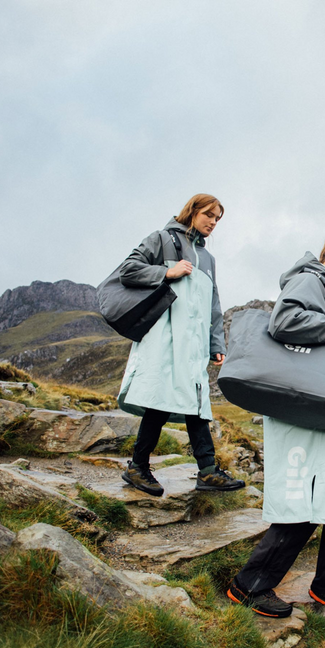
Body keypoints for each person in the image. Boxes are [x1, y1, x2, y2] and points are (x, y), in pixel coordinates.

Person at [227, 234, 325, 619]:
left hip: (319, 413)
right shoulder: (310, 278)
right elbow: (284, 321)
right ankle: (249, 585)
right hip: (301, 414)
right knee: (303, 499)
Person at [116, 194, 245, 497]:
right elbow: (128, 269)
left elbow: (214, 304)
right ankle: (141, 466)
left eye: (217, 218)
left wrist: (216, 342)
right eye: (209, 215)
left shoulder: (209, 259)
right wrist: (166, 272)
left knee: (196, 404)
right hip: (165, 336)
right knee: (163, 399)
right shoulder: (161, 239)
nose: (213, 222)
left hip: (194, 343)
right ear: (192, 211)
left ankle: (207, 472)